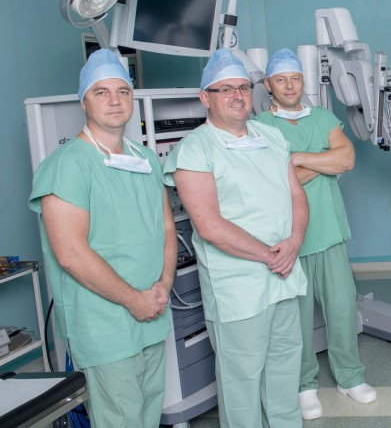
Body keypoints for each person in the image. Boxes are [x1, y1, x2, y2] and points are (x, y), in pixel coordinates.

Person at [29, 49, 176, 427]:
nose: (114, 100)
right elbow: (71, 253)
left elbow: (166, 227)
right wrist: (133, 300)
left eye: (123, 91)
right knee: (120, 419)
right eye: (101, 92)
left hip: (152, 310)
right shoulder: (67, 165)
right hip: (105, 323)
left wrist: (164, 283)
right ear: (83, 101)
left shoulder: (145, 158)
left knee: (148, 414)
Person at [162, 49, 308, 428]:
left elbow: (296, 195)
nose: (238, 95)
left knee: (284, 368)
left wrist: (294, 241)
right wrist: (270, 256)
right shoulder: (195, 149)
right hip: (239, 289)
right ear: (205, 98)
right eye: (225, 89)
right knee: (241, 381)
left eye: (243, 87)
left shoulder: (271, 136)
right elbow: (209, 225)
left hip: (284, 276)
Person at [254, 48, 377, 420]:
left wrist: (297, 159)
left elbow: (347, 159)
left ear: (302, 81)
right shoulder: (260, 126)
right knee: (298, 316)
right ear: (268, 85)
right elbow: (274, 182)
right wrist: (323, 159)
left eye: (295, 79)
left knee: (342, 307)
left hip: (330, 231)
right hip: (289, 237)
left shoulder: (322, 116)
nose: (290, 86)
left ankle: (350, 377)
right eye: (281, 80)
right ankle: (304, 384)